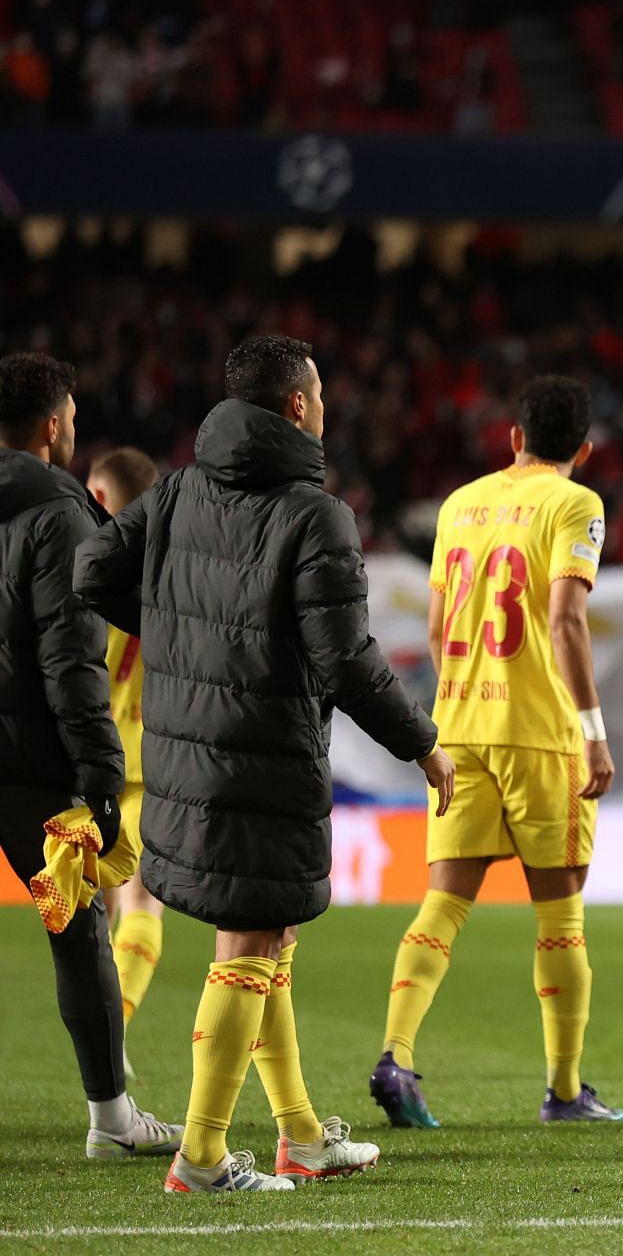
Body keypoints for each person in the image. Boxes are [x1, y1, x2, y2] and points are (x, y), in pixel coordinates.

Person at [75, 334, 453, 1193]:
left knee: (266, 933)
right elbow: (346, 656)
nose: (323, 406)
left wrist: (182, 638)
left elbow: (93, 566)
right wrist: (422, 743)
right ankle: (201, 1157)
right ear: (294, 407)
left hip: (184, 754)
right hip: (260, 759)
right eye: (317, 394)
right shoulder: (314, 515)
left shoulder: (175, 492)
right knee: (249, 942)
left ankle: (301, 1136)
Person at [371, 375, 623, 1127]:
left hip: (458, 725)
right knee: (561, 915)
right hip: (540, 733)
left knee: (443, 904)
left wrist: (449, 712)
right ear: (583, 448)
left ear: (514, 438)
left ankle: (397, 1054)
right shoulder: (578, 504)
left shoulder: (460, 503)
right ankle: (564, 1091)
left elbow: (438, 621)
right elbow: (565, 622)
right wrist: (593, 733)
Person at [0, 353, 179, 1162]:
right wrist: (100, 778)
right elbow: (71, 660)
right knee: (76, 929)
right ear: (51, 426)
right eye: (70, 414)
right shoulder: (60, 510)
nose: (73, 425)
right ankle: (111, 1119)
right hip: (32, 768)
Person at [84, 447, 165, 1074]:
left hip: (86, 763)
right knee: (140, 906)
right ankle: (118, 1030)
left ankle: (105, 1039)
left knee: (100, 910)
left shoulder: (83, 570)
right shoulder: (171, 572)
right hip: (151, 765)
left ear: (106, 499)